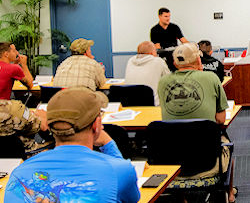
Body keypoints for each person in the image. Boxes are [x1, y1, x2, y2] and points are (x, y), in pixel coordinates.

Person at [5, 88, 140, 202]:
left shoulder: (19, 174)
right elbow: (132, 199)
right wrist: (108, 144)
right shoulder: (120, 171)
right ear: (96, 125)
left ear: (50, 127)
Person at [158, 42, 235, 202]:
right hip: (206, 162)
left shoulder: (163, 82)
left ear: (174, 63)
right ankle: (230, 193)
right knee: (227, 143)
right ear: (199, 61)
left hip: (171, 164)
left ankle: (181, 197)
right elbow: (220, 120)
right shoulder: (211, 78)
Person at [125, 41, 170, 106]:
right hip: (153, 104)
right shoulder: (158, 61)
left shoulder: (130, 60)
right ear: (152, 52)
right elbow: (169, 80)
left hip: (130, 104)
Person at [150, 7, 188, 72]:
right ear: (159, 16)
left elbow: (184, 40)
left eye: (169, 16)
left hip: (175, 56)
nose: (168, 19)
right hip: (164, 57)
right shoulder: (154, 30)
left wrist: (191, 47)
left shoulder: (174, 27)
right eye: (166, 16)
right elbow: (157, 47)